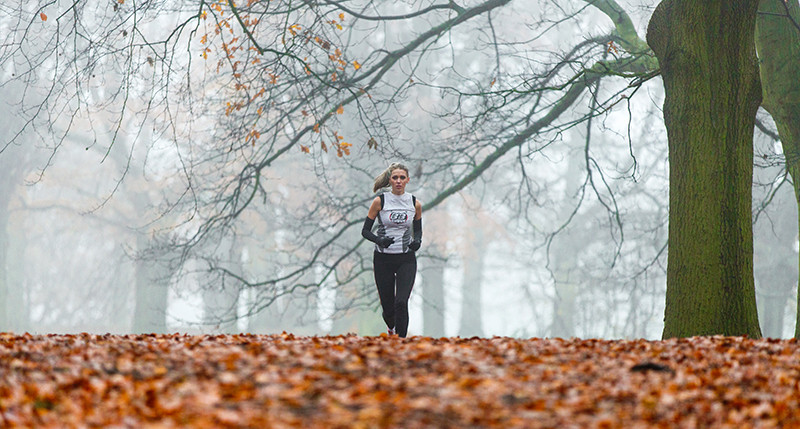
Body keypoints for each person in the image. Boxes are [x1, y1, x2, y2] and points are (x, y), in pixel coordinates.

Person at [361, 162, 422, 338]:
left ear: (407, 180)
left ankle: (401, 343)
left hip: (406, 259)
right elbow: (365, 231)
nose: (398, 181)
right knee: (388, 309)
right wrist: (379, 239)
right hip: (383, 259)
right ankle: (391, 328)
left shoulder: (414, 203)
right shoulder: (380, 201)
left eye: (402, 178)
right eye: (395, 177)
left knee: (401, 302)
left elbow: (417, 229)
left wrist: (417, 241)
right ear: (390, 180)